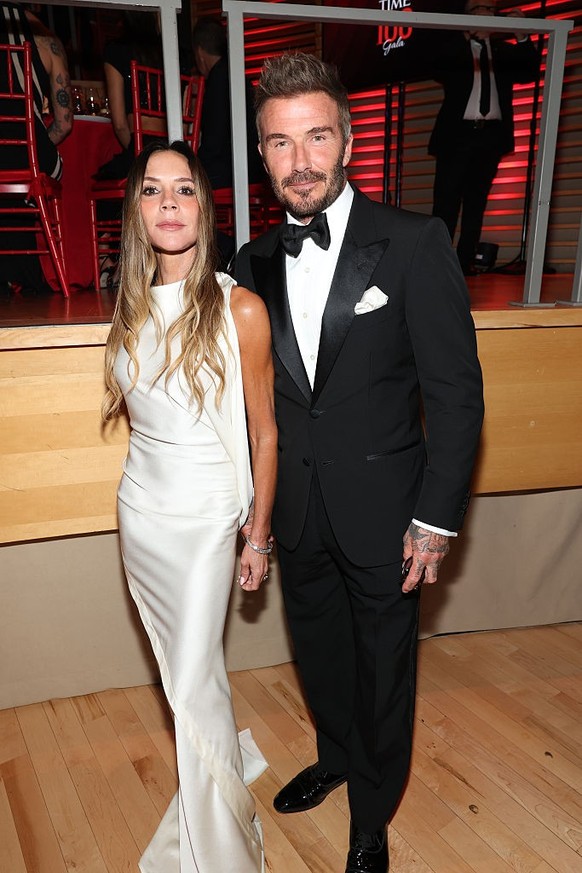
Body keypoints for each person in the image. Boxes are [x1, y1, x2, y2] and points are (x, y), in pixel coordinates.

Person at [235, 53, 484, 873]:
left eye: (315, 137)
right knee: (321, 653)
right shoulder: (252, 262)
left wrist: (437, 517)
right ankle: (338, 754)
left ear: (345, 141)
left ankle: (372, 812)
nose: (299, 160)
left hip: (390, 510)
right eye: (279, 143)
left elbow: (456, 397)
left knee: (385, 670)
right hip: (298, 507)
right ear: (262, 154)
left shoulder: (413, 243)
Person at [102, 140, 277, 872]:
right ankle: (216, 782)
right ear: (137, 210)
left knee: (195, 680)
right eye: (152, 190)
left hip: (207, 522)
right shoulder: (129, 305)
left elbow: (266, 433)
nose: (169, 203)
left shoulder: (241, 309)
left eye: (183, 189)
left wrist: (257, 537)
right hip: (141, 514)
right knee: (186, 683)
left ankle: (223, 851)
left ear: (205, 206)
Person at [429, 1, 539, 275]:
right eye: (479, 7)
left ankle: (465, 264)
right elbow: (436, 65)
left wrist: (522, 32)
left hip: (490, 137)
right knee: (446, 203)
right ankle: (435, 264)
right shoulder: (456, 49)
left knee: (477, 204)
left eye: (491, 8)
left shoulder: (502, 52)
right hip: (457, 136)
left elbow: (529, 72)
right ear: (467, 15)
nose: (487, 13)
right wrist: (466, 36)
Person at [0, 1, 72, 296]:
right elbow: (65, 123)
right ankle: (25, 271)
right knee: (37, 166)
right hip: (32, 155)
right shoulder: (46, 39)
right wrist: (28, 146)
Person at [192, 15, 264, 190]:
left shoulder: (218, 79)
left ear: (200, 53)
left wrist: (192, 163)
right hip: (253, 168)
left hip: (230, 172)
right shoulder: (237, 73)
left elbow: (214, 139)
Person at [95, 11, 165, 181]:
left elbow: (119, 125)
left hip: (140, 146)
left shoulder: (117, 52)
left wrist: (139, 154)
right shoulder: (174, 52)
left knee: (104, 185)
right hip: (172, 145)